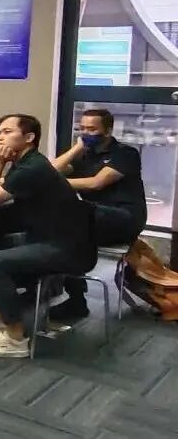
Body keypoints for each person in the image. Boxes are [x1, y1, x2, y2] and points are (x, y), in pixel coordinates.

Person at [0, 114, 95, 358]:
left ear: (29, 137)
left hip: (68, 248)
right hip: (45, 237)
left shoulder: (33, 168)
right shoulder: (25, 162)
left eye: (7, 132)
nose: (0, 137)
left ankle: (15, 339)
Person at [49, 108, 146, 320]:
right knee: (59, 231)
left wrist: (53, 184)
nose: (85, 133)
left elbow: (96, 183)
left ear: (108, 131)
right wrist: (76, 149)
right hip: (92, 218)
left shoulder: (125, 153)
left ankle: (71, 295)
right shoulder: (84, 154)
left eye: (92, 129)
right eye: (82, 128)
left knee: (70, 217)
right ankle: (73, 297)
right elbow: (49, 172)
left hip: (124, 217)